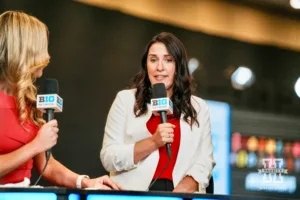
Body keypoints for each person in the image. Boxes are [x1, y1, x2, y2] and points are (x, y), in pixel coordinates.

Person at [0, 10, 122, 190]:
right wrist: (35, 146)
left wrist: (85, 182)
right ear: (25, 50)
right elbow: (35, 148)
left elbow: (46, 165)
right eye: (42, 47)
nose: (46, 55)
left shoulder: (29, 104)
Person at [100, 32, 215, 193]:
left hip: (180, 194)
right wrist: (153, 142)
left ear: (178, 66)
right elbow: (108, 157)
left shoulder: (199, 108)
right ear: (146, 65)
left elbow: (205, 161)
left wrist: (181, 192)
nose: (159, 67)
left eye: (168, 60)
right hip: (132, 194)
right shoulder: (125, 100)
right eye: (153, 60)